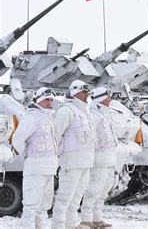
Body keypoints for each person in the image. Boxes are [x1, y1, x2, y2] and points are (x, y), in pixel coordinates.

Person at [52, 80, 96, 229]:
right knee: (64, 198)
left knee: (76, 199)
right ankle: (58, 226)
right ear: (75, 92)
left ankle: (71, 225)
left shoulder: (85, 111)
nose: (87, 95)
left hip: (85, 162)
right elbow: (55, 136)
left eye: (87, 92)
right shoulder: (66, 111)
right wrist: (56, 159)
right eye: (84, 92)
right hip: (71, 163)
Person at [12, 87, 58, 229]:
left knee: (44, 205)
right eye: (46, 100)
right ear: (39, 100)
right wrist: (22, 153)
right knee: (31, 205)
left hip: (50, 168)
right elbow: (18, 139)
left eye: (51, 100)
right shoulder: (31, 117)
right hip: (36, 167)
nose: (49, 102)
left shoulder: (50, 117)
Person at [80, 88, 118, 228]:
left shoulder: (107, 114)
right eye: (108, 97)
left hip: (110, 159)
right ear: (100, 98)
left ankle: (97, 218)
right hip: (99, 159)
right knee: (93, 190)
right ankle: (86, 219)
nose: (110, 99)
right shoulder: (94, 116)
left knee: (104, 190)